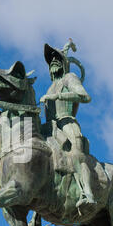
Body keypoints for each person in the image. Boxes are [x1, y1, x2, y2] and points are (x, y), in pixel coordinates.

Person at [40, 39, 96, 211]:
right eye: (51, 60)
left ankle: (88, 193)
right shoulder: (50, 87)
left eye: (57, 58)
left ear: (64, 63)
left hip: (67, 122)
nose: (53, 61)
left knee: (76, 155)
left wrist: (58, 97)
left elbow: (85, 96)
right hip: (49, 128)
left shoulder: (69, 78)